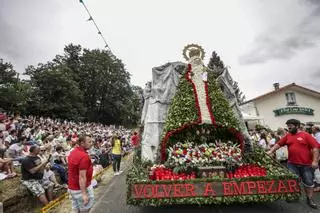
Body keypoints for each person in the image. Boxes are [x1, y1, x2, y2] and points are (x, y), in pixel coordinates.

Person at [267, 119, 319, 209]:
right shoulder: (288, 136)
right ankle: (295, 196)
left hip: (306, 165)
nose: (289, 127)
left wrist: (315, 161)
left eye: (290, 125)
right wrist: (271, 151)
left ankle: (310, 199)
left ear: (297, 126)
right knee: (293, 181)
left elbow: (315, 148)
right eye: (288, 126)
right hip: (292, 164)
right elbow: (279, 144)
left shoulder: (305, 135)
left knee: (308, 182)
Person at [68, 135, 94, 213]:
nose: (91, 143)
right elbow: (82, 177)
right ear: (82, 143)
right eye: (89, 142)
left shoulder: (73, 151)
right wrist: (84, 194)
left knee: (75, 209)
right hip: (80, 189)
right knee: (85, 209)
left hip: (72, 187)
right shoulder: (84, 156)